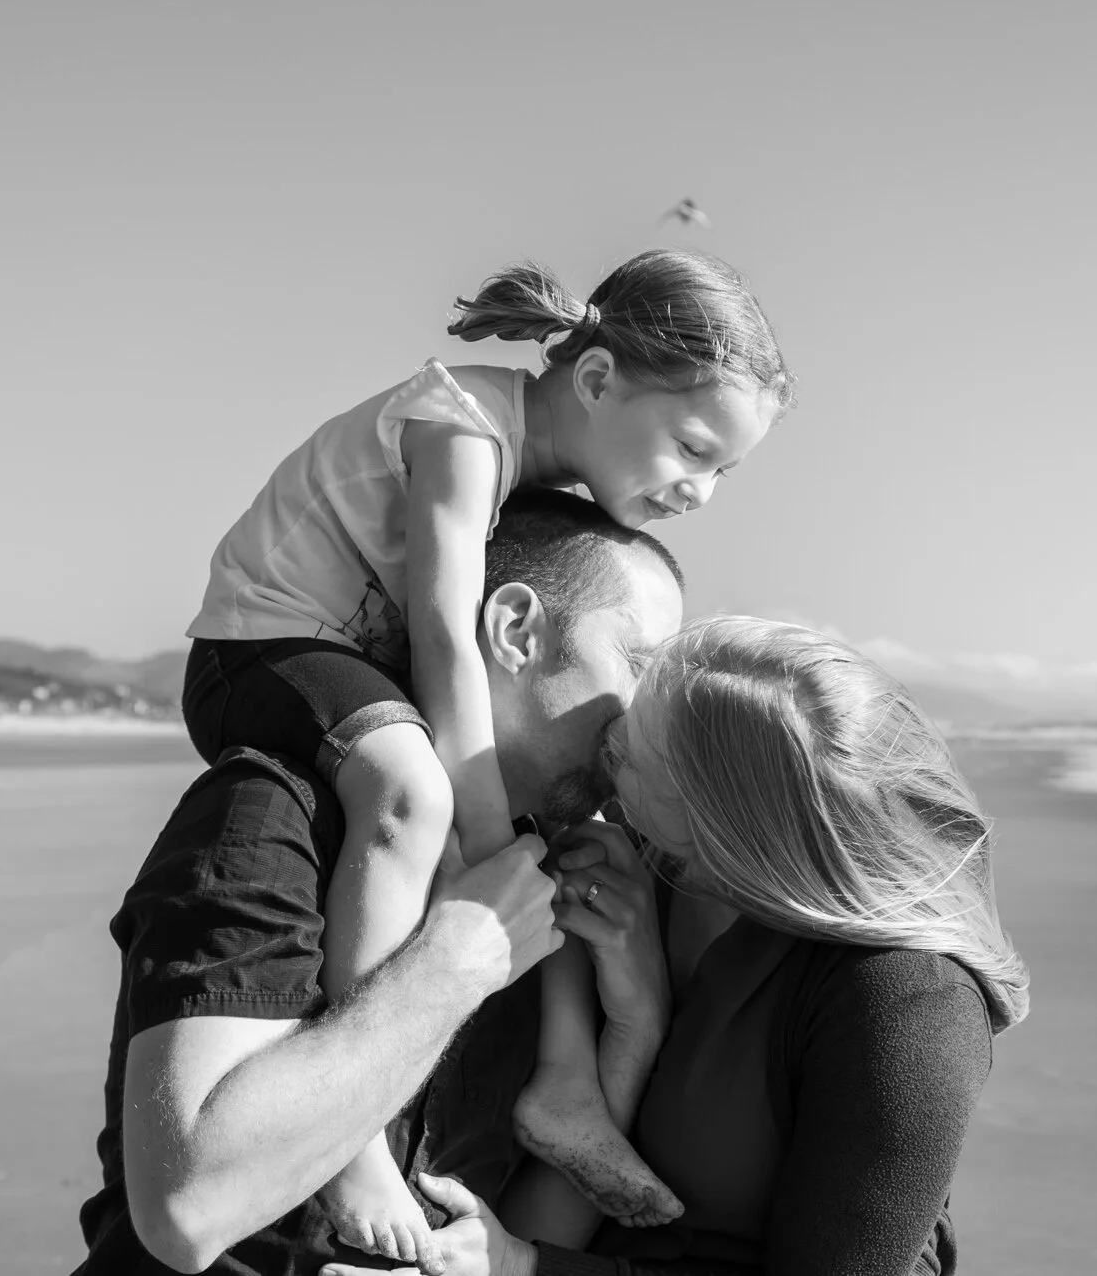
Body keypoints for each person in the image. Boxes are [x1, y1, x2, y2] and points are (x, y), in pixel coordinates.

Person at [182, 250, 792, 1254]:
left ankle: (563, 1082)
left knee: (544, 822)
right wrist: (473, 834)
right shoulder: (462, 424)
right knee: (411, 791)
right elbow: (442, 629)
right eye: (692, 448)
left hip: (353, 658)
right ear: (595, 381)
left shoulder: (547, 473)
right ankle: (359, 1142)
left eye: (723, 469)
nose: (702, 489)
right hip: (266, 643)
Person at [77, 490, 688, 1275]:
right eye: (638, 663)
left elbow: (511, 1230)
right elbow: (188, 1207)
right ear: (515, 630)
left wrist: (637, 1029)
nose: (644, 711)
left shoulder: (550, 874)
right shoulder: (277, 812)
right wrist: (455, 959)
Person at [322, 618, 1031, 1276]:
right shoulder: (641, 872)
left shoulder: (909, 1007)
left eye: (634, 753)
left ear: (722, 820)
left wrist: (523, 1265)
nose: (608, 747)